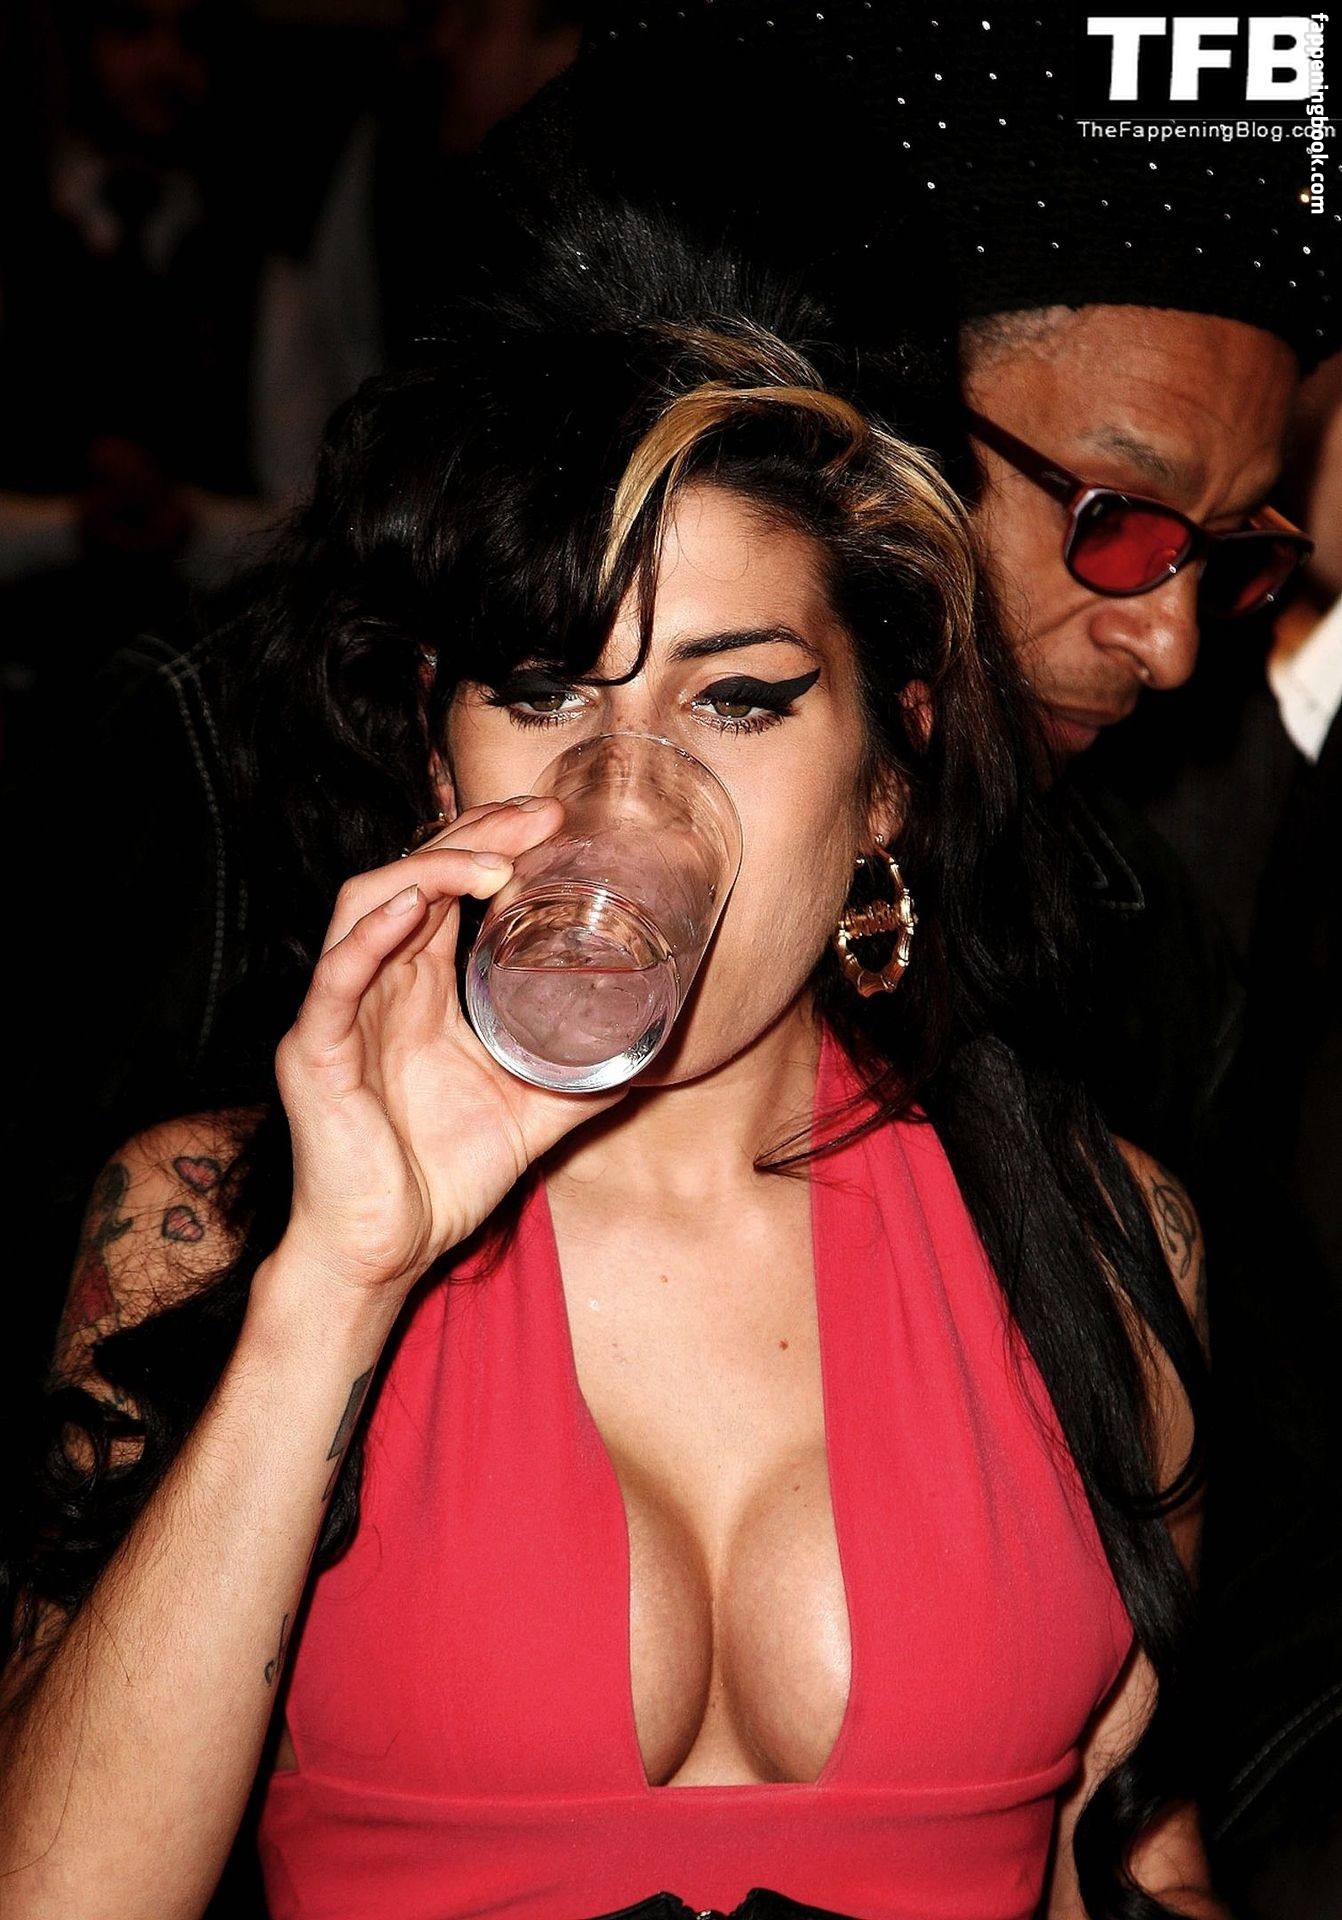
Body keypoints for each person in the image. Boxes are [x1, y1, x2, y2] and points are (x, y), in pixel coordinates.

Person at [1, 210, 1216, 1919]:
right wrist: (336, 1282)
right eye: (545, 688)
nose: (619, 799)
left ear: (886, 775)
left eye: (739, 699)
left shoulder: (1092, 1231)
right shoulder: (203, 1220)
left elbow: (1134, 1866)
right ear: (442, 763)